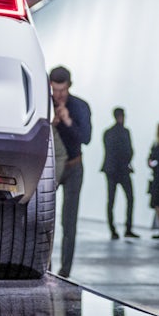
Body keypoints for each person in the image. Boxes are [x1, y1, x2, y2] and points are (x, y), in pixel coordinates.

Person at [49, 66, 92, 277]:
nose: (58, 95)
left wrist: (67, 121)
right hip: (50, 168)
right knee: (45, 218)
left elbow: (86, 137)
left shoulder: (79, 106)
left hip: (74, 166)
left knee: (69, 221)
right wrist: (51, 123)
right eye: (55, 90)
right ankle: (44, 266)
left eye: (62, 90)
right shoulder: (44, 104)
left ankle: (65, 270)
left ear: (69, 87)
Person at [101, 107, 137, 240]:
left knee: (111, 200)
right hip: (120, 170)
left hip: (112, 170)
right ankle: (127, 228)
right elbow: (128, 150)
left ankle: (114, 229)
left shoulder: (108, 133)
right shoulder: (124, 132)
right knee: (128, 198)